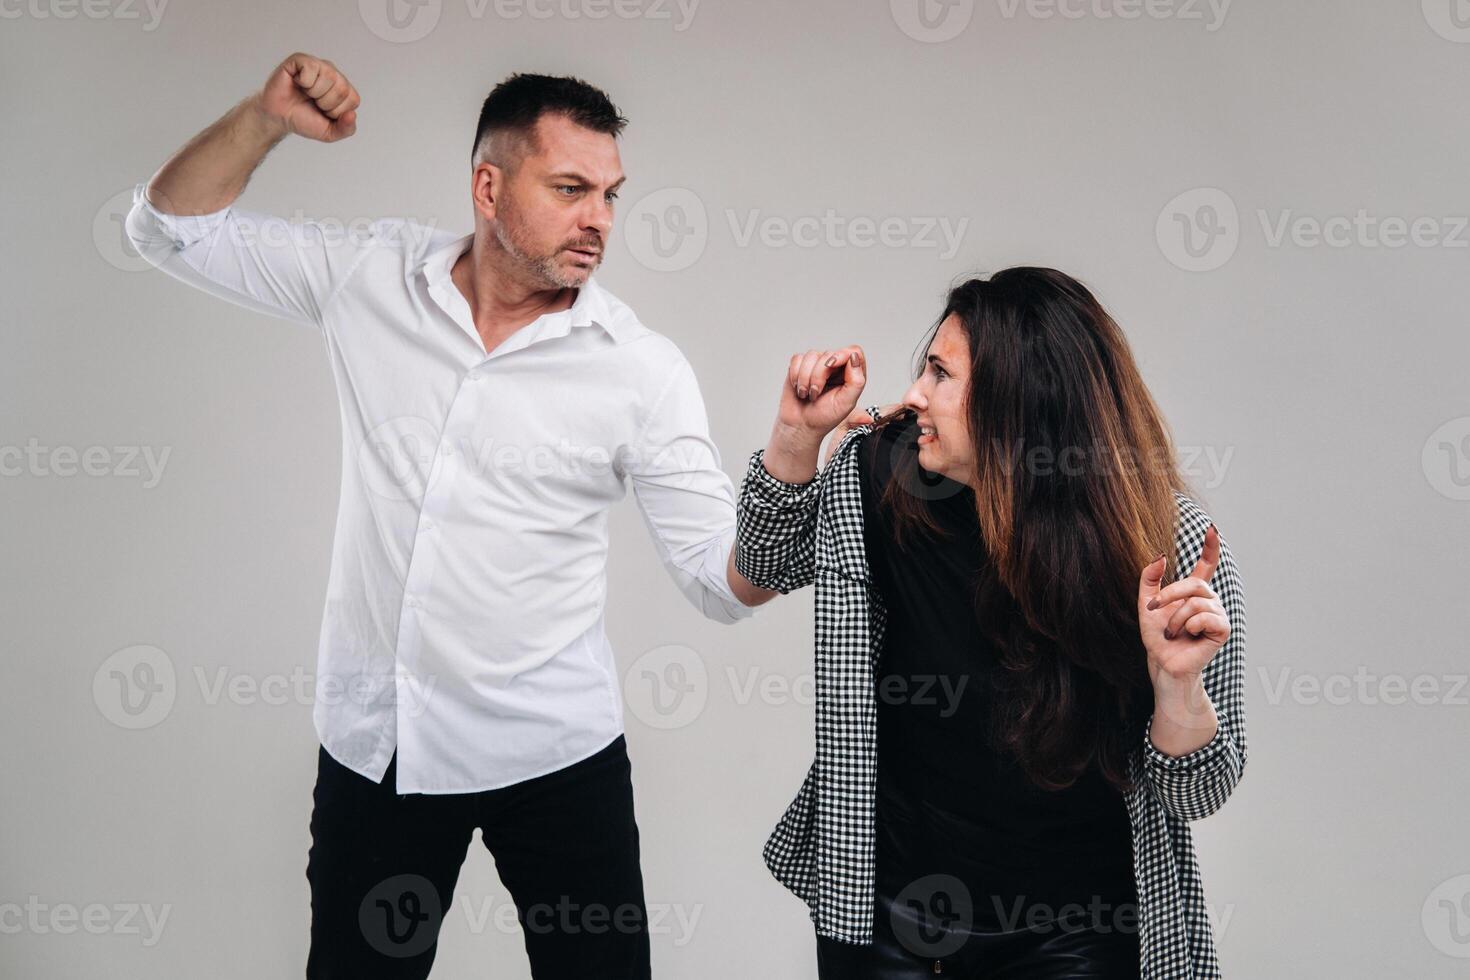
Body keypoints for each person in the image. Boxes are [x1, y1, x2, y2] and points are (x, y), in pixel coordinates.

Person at [124, 55, 776, 978]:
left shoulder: (640, 369)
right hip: (378, 747)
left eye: (612, 195)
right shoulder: (371, 279)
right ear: (488, 184)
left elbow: (722, 582)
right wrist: (264, 119)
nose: (600, 219)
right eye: (570, 188)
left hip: (556, 758)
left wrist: (791, 458)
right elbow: (166, 232)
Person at [732, 268, 1247, 978]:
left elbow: (1201, 791)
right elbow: (763, 564)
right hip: (894, 908)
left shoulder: (1166, 548)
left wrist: (1177, 691)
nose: (914, 393)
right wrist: (796, 436)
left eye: (941, 374)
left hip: (1080, 926)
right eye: (925, 366)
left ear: (1022, 405)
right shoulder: (883, 474)